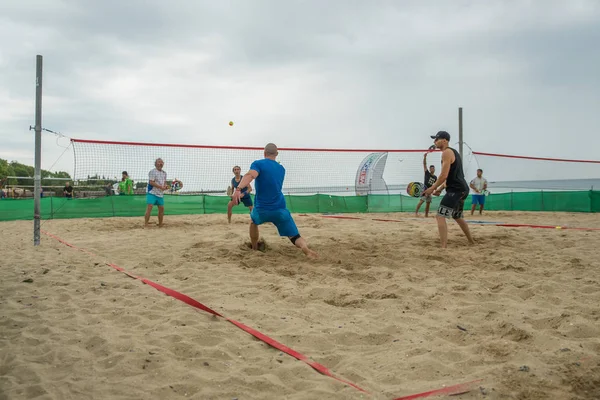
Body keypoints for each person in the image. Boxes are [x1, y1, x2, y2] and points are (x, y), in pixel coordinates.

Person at [231, 143, 318, 258]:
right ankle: (305, 248)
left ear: (264, 153)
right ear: (276, 154)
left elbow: (250, 175)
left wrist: (238, 189)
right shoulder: (281, 169)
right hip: (280, 209)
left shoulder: (258, 164)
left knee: (253, 221)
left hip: (262, 209)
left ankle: (254, 247)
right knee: (294, 236)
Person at [422, 131, 475, 248]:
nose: (434, 142)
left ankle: (443, 247)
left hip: (456, 190)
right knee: (457, 216)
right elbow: (449, 176)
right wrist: (440, 189)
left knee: (440, 216)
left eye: (437, 139)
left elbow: (443, 175)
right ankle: (471, 241)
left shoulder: (446, 152)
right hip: (462, 189)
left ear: (445, 140)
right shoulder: (453, 152)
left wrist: (431, 188)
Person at [144, 158, 168, 227]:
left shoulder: (164, 173)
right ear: (155, 164)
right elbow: (151, 182)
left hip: (160, 194)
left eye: (162, 162)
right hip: (152, 192)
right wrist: (161, 187)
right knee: (150, 206)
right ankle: (146, 224)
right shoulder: (152, 172)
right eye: (159, 162)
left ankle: (160, 224)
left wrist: (165, 187)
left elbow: (164, 183)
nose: (160, 163)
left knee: (161, 208)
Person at [415, 153, 437, 217]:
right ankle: (416, 213)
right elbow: (424, 164)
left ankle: (426, 215)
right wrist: (425, 157)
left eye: (433, 168)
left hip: (430, 191)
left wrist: (435, 190)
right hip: (425, 190)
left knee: (428, 204)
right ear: (430, 169)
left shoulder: (435, 177)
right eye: (431, 168)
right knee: (421, 201)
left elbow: (435, 185)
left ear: (434, 169)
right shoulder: (427, 173)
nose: (432, 169)